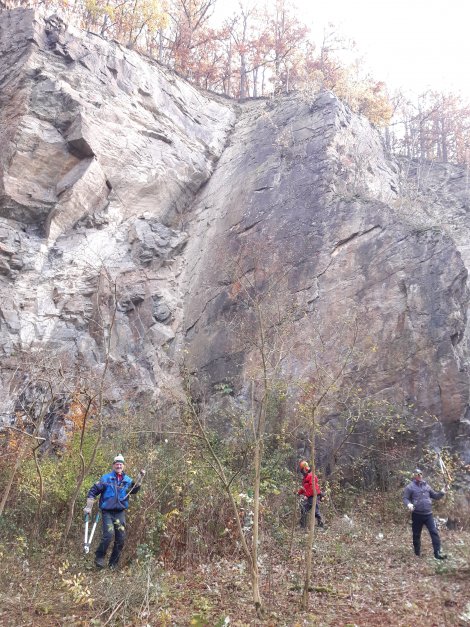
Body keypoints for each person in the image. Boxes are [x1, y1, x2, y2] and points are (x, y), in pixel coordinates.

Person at [84, 454, 145, 568]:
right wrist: (89, 506)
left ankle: (113, 564)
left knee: (121, 539)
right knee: (108, 534)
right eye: (117, 464)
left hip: (120, 512)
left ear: (123, 466)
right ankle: (100, 557)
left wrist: (140, 478)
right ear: (113, 465)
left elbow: (134, 489)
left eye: (121, 464)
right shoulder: (106, 479)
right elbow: (93, 491)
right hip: (107, 512)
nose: (119, 466)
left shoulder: (127, 480)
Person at [402, 467, 447, 560]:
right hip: (417, 515)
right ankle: (417, 553)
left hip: (428, 514)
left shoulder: (427, 486)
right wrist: (409, 504)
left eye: (420, 474)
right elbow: (405, 498)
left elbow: (435, 496)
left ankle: (437, 554)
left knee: (434, 532)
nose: (419, 476)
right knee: (416, 534)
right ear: (414, 476)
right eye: (417, 474)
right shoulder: (410, 487)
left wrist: (442, 492)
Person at [298, 460, 324, 528]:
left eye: (302, 470)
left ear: (304, 469)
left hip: (314, 496)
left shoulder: (312, 476)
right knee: (303, 509)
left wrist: (306, 495)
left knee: (316, 511)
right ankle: (302, 526)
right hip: (309, 496)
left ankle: (321, 525)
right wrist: (298, 492)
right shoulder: (305, 477)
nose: (302, 472)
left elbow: (312, 488)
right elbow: (304, 488)